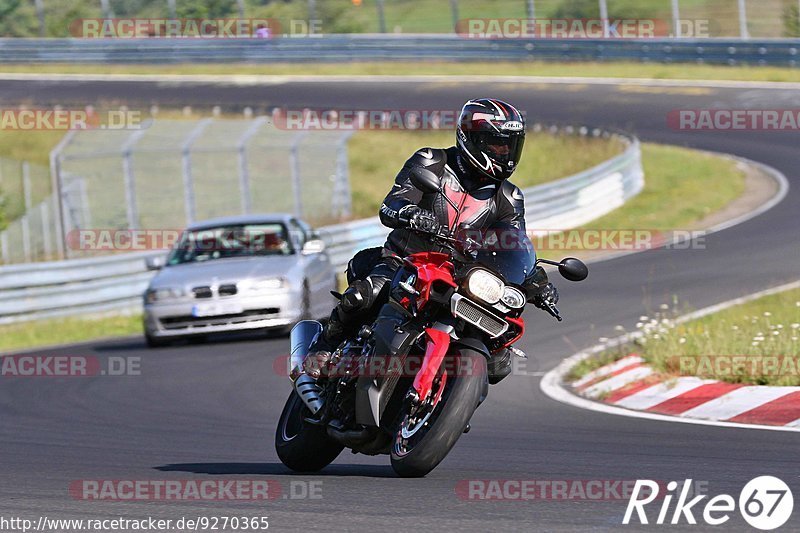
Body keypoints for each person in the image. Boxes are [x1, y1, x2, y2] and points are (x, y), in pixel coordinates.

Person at [306, 98, 559, 380]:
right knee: (365, 294)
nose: (505, 153)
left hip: (459, 277)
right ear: (471, 138)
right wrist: (411, 213)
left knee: (499, 359)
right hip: (404, 261)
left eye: (510, 145)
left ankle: (445, 406)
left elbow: (513, 242)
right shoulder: (432, 162)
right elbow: (391, 203)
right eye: (496, 144)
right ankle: (324, 347)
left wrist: (538, 281)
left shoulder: (510, 198)